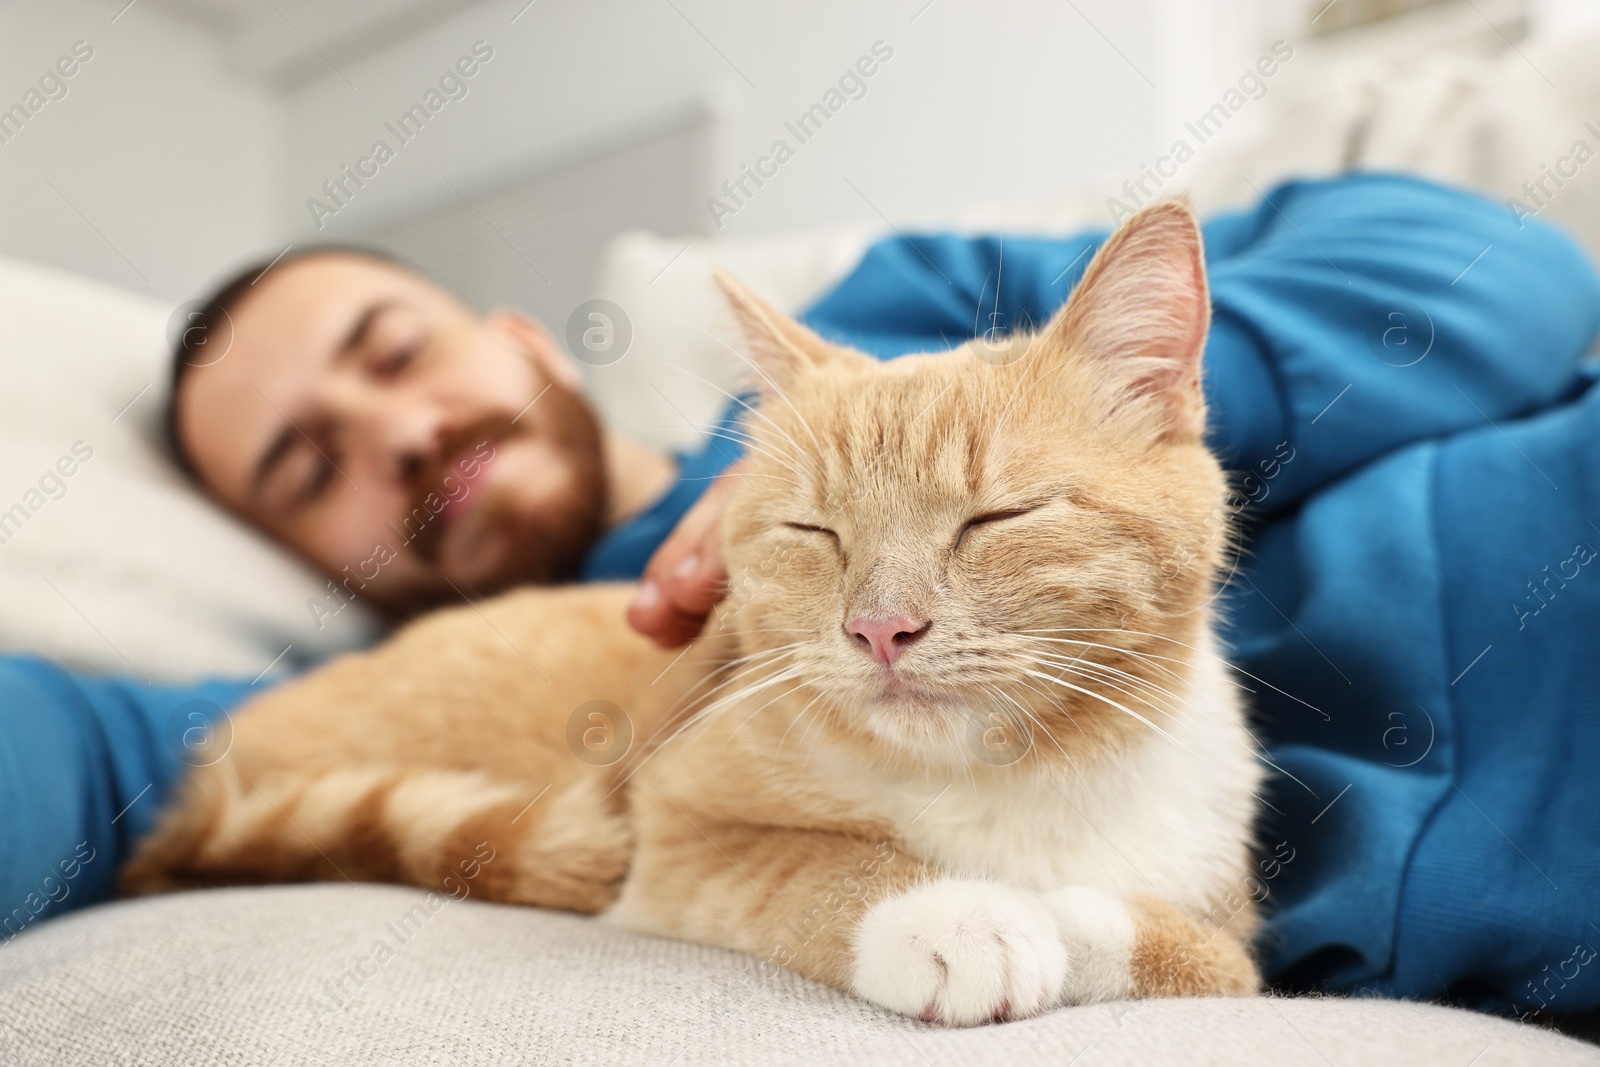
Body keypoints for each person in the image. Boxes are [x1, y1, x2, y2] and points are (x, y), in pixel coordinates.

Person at [4, 172, 1599, 1025]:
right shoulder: (487, 659)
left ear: (525, 337)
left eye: (396, 352)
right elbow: (128, 763)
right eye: (306, 466)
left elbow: (1505, 265)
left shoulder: (900, 312)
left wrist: (1141, 394)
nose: (404, 436)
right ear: (297, 561)